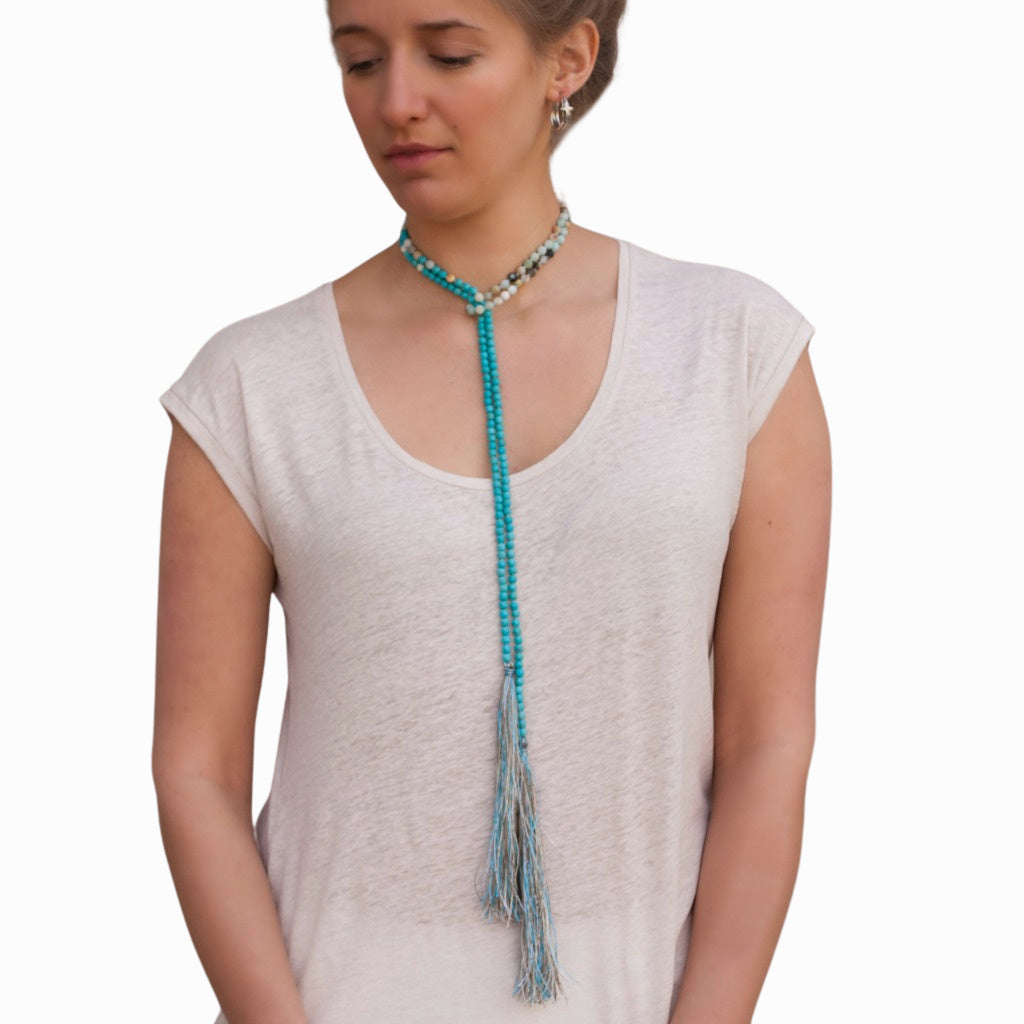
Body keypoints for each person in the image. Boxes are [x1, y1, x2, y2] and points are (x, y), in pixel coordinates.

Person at [153, 0, 831, 1021]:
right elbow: (194, 772)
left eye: (449, 53)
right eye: (360, 61)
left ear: (568, 59)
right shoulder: (251, 384)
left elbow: (766, 742)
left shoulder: (733, 348)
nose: (397, 101)